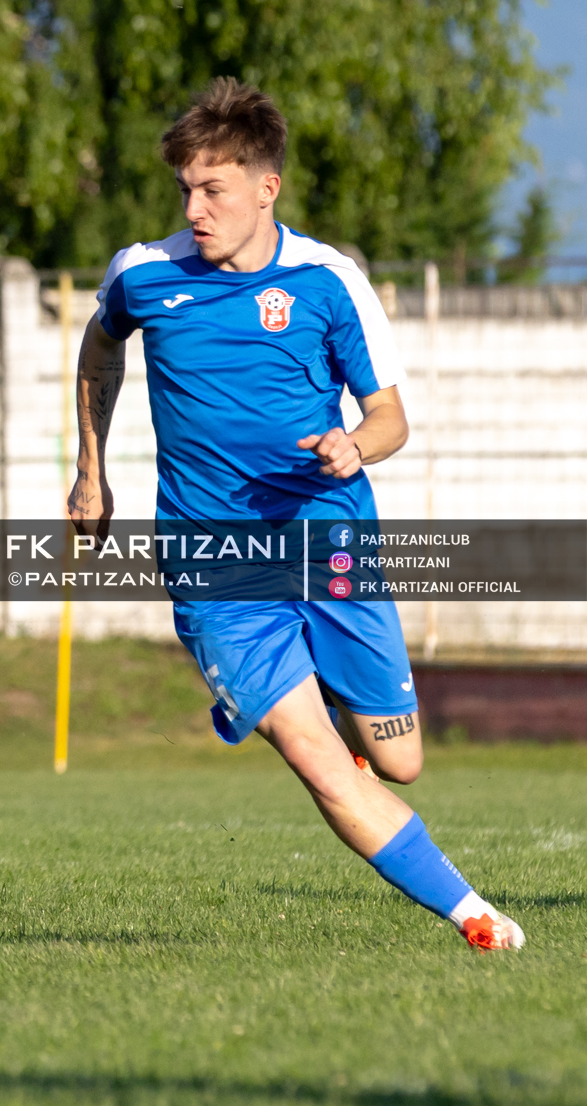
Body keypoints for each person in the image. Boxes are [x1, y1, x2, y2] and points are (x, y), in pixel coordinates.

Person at [67, 78, 523, 953]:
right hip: (214, 567)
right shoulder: (144, 274)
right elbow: (99, 349)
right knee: (316, 757)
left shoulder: (326, 280)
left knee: (398, 760)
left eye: (213, 190)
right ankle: (476, 916)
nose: (194, 210)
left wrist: (356, 444)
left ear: (266, 188)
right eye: (185, 190)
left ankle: (329, 701)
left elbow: (390, 416)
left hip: (329, 540)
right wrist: (92, 471)